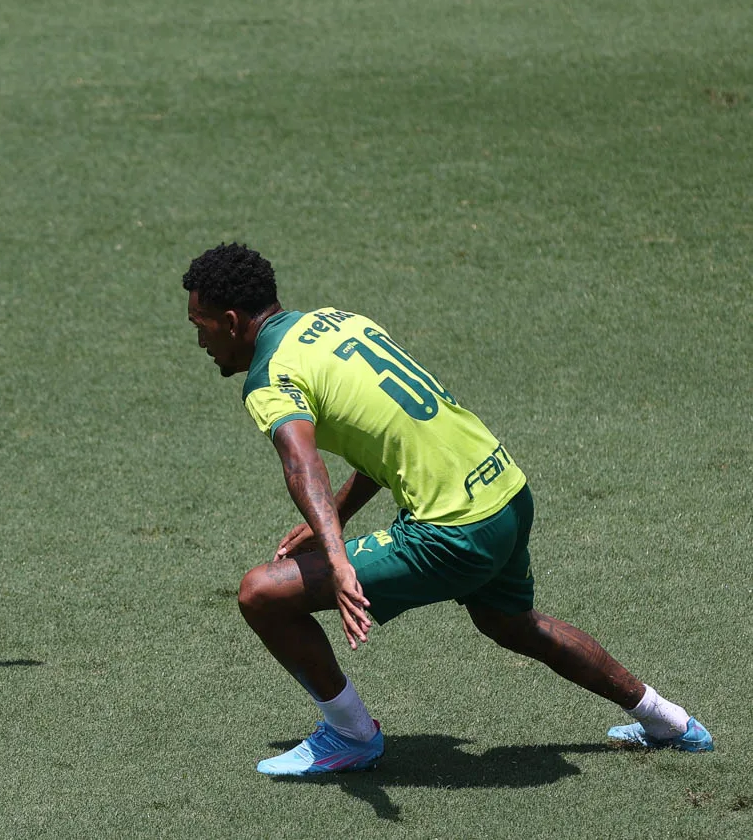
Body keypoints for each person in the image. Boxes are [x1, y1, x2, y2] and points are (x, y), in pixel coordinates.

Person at [181, 242, 712, 775]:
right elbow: (389, 430)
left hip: (453, 530)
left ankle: (350, 734)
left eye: (200, 325)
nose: (198, 340)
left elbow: (303, 467)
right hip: (504, 487)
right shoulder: (335, 322)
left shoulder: (270, 377)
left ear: (231, 321)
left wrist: (339, 560)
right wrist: (337, 517)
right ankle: (668, 720)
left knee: (262, 594)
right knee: (512, 623)